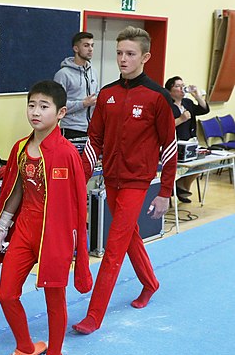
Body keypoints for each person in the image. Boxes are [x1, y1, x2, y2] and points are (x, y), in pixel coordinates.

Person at [0, 80, 92, 355]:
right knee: (6, 293)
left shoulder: (68, 153)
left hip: (54, 235)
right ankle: (26, 346)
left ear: (61, 113)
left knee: (54, 298)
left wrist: (75, 242)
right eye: (31, 105)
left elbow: (77, 202)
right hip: (25, 231)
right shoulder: (20, 148)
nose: (35, 112)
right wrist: (3, 225)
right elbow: (15, 189)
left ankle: (55, 354)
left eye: (44, 107)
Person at [73, 26, 177, 335]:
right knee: (128, 236)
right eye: (119, 53)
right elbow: (94, 141)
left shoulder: (158, 98)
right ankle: (150, 283)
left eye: (130, 54)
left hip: (137, 182)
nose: (123, 59)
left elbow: (169, 148)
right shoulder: (107, 94)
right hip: (111, 179)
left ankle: (94, 316)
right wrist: (80, 178)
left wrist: (165, 192)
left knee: (114, 246)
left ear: (145, 56)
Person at [165, 76, 210, 203]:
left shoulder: (187, 103)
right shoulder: (166, 105)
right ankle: (177, 188)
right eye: (177, 86)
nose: (181, 88)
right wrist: (181, 120)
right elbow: (163, 127)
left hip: (190, 143)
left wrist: (197, 95)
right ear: (169, 91)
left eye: (182, 85)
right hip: (175, 145)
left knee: (202, 164)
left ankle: (182, 187)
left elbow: (204, 109)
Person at [53, 31, 100, 139]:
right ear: (76, 49)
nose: (90, 49)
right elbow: (57, 105)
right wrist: (83, 103)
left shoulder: (93, 72)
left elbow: (96, 96)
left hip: (91, 129)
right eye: (86, 45)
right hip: (71, 129)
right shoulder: (63, 74)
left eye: (92, 45)